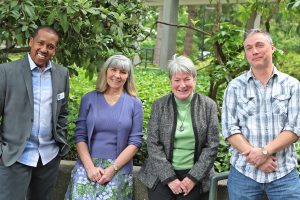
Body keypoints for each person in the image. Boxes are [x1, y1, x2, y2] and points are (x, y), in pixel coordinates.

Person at [222, 28, 300, 199]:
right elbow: (229, 129)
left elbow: (294, 129)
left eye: (259, 45)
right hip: (243, 174)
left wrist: (264, 152)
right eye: (248, 48)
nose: (254, 51)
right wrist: (256, 157)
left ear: (272, 48)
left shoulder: (293, 86)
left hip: (284, 173)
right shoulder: (234, 87)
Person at [0, 26, 70, 200]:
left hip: (48, 157)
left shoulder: (62, 74)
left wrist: (59, 141)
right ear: (31, 41)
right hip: (15, 156)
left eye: (51, 46)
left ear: (55, 50)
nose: (44, 49)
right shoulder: (7, 72)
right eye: (41, 43)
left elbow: (63, 112)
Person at [139, 55, 219, 200]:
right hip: (159, 173)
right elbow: (152, 143)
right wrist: (169, 178)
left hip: (196, 175)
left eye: (187, 79)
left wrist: (193, 178)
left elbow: (212, 145)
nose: (182, 85)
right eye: (177, 80)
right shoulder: (160, 105)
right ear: (171, 82)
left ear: (194, 80)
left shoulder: (208, 106)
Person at [65, 55, 143, 200]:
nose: (117, 75)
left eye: (123, 72)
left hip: (118, 169)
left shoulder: (135, 103)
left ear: (128, 76)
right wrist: (90, 168)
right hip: (87, 168)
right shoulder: (88, 99)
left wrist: (112, 169)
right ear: (106, 71)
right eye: (113, 70)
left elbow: (135, 142)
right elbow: (80, 136)